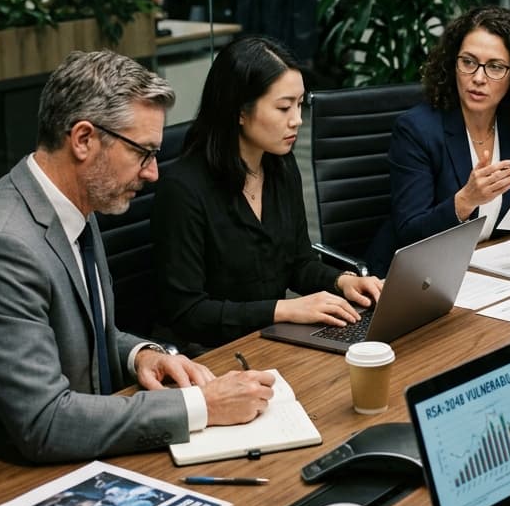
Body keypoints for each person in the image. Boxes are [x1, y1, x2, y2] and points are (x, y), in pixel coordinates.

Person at [0, 50, 275, 463]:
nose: (153, 173)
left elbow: (81, 331)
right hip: (12, 478)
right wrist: (202, 406)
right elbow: (45, 422)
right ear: (83, 140)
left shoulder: (75, 203)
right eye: (142, 152)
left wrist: (141, 355)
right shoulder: (3, 245)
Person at [152, 35, 381, 347]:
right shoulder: (183, 190)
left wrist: (342, 282)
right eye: (284, 107)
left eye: (299, 104)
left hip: (270, 339)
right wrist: (284, 310)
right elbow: (188, 312)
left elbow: (298, 262)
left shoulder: (280, 166)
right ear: (240, 111)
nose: (297, 120)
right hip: (207, 353)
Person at [364, 6, 510, 275]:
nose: (478, 78)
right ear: (452, 64)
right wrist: (465, 201)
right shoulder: (417, 130)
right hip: (416, 275)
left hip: (488, 267)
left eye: (495, 67)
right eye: (468, 62)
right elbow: (410, 233)